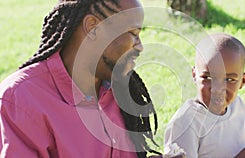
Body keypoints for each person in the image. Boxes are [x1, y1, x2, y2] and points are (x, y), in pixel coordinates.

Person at [0, 0, 161, 157]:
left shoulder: (121, 92)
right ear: (93, 27)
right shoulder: (20, 99)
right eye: (133, 33)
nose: (140, 46)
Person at [164, 33, 245, 158]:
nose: (218, 89)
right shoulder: (185, 123)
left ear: (243, 81)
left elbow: (240, 147)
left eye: (229, 80)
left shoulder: (238, 107)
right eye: (208, 77)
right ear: (194, 75)